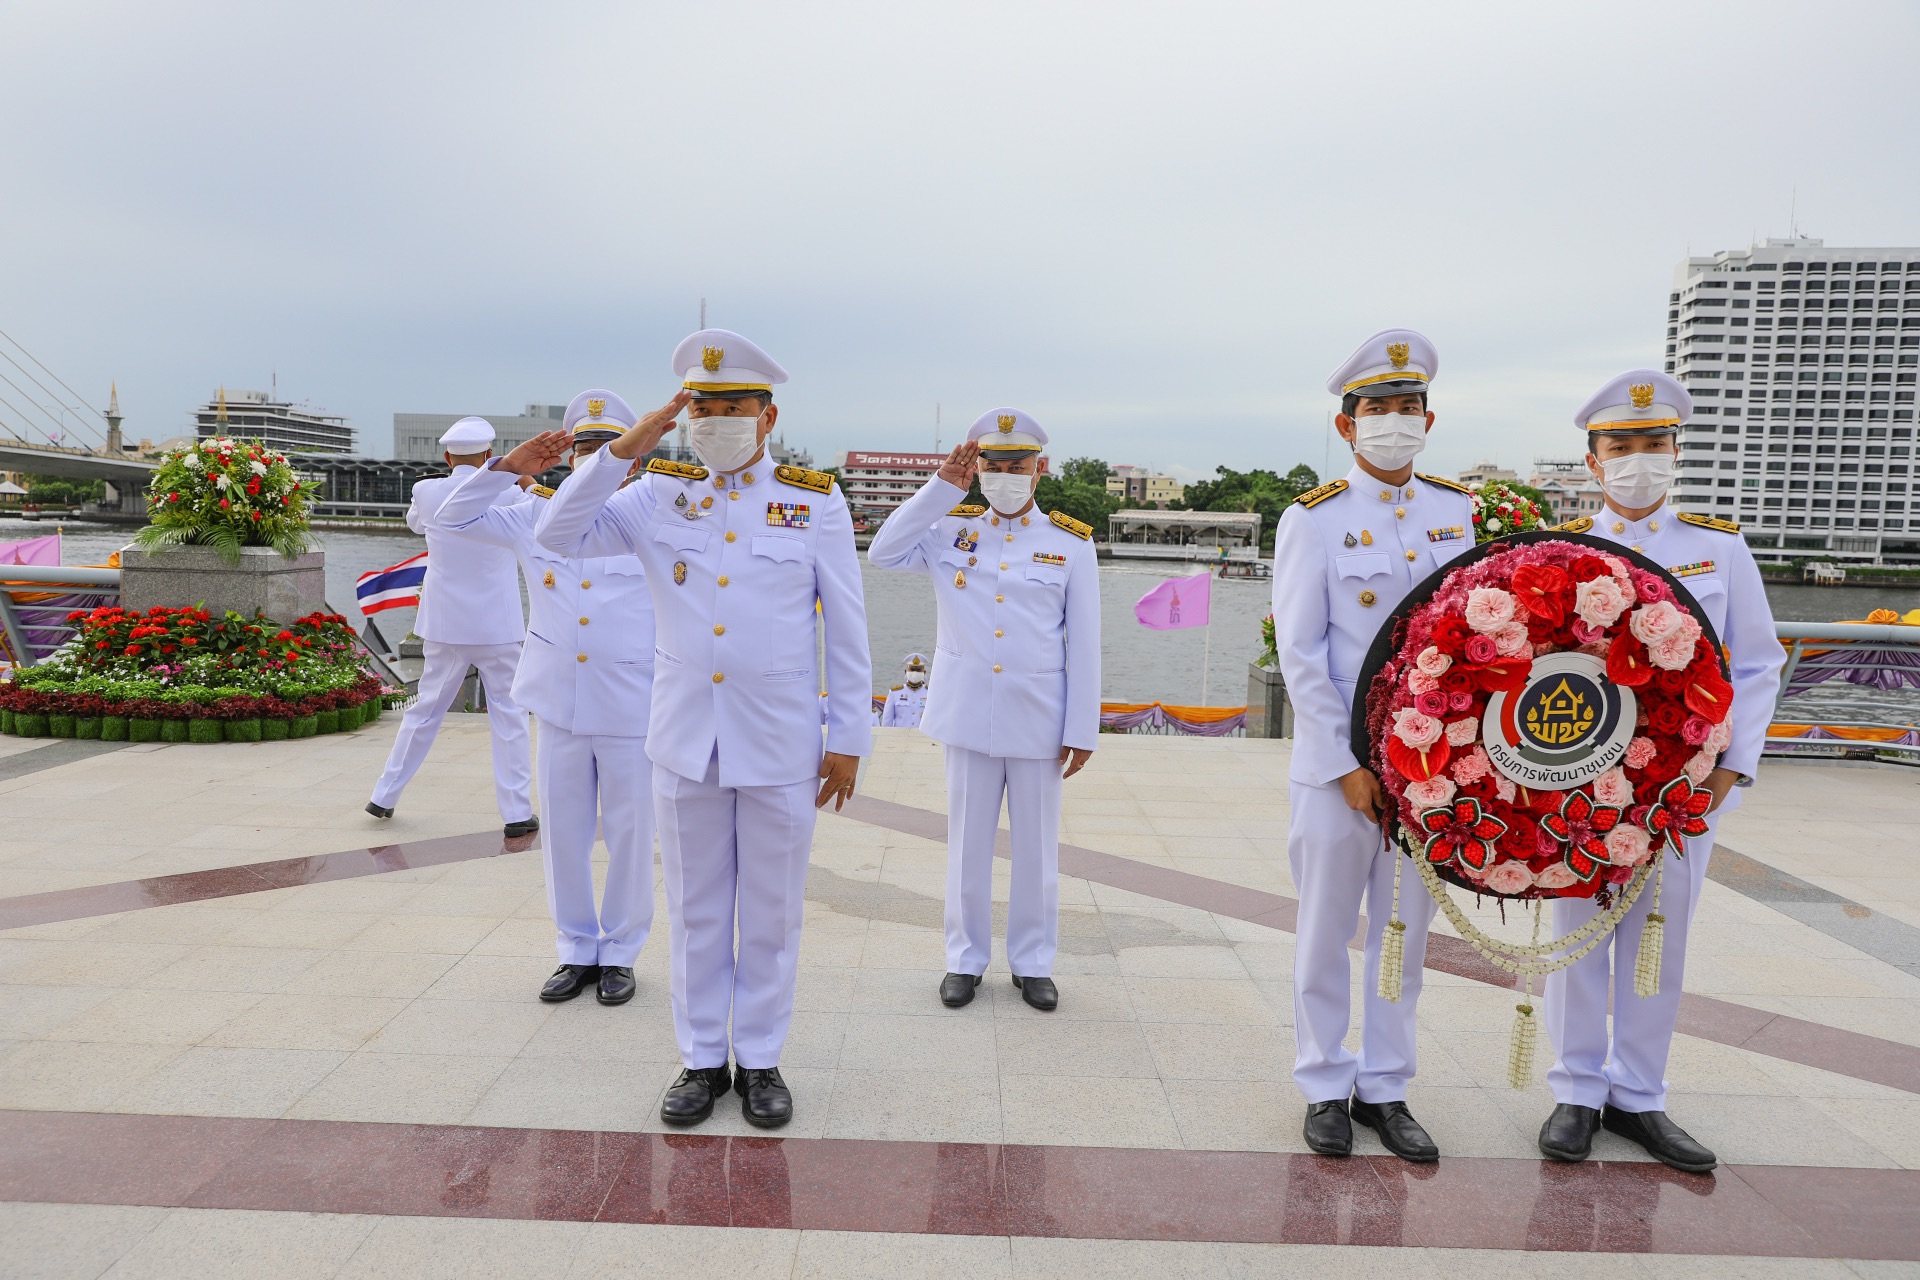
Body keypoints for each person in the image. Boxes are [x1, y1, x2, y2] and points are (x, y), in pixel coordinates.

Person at [535, 329, 872, 1129]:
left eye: (732, 408)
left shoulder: (814, 499)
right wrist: (624, 450)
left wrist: (849, 739)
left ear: (767, 414)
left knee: (771, 912)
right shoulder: (655, 492)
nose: (715, 421)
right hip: (685, 738)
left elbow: (849, 631)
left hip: (782, 741)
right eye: (701, 408)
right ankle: (698, 1060)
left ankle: (759, 1059)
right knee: (695, 911)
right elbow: (558, 535)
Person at [1538, 370, 1784, 1174]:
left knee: (1657, 935)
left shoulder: (1719, 548)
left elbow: (1756, 663)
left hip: (1685, 789)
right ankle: (1576, 1091)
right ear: (1593, 461)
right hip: (1583, 781)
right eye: (1621, 447)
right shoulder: (1565, 552)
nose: (1638, 461)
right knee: (1577, 936)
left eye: (1654, 445)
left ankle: (1639, 1095)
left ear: (1677, 452)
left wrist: (1731, 771)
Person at [1270, 329, 1473, 1162]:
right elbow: (1301, 654)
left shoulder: (1457, 512)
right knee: (1325, 928)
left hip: (1429, 773)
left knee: (1404, 931)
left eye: (1407, 407)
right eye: (1376, 409)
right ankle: (1323, 1081)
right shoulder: (1313, 519)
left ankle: (1385, 1084)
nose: (1394, 422)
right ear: (1346, 426)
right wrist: (1349, 765)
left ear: (1431, 418)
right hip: (1336, 771)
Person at [867, 409, 1100, 1012]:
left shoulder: (1069, 544)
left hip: (1038, 717)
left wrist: (1081, 729)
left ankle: (1033, 961)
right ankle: (964, 959)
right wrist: (944, 487)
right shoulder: (948, 529)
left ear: (1038, 470)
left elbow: (1086, 643)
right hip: (968, 714)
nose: (1004, 476)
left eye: (1015, 466)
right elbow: (883, 552)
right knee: (967, 844)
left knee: (1037, 849)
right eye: (993, 466)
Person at [431, 395, 659, 1007]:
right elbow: (448, 523)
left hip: (632, 703)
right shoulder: (531, 514)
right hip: (558, 700)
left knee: (632, 833)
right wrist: (504, 468)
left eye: (604, 452)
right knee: (563, 833)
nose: (591, 462)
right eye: (583, 451)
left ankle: (621, 951)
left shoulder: (653, 518)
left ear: (628, 461)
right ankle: (575, 948)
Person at [367, 417, 537, 838]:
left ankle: (384, 795)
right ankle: (516, 813)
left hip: (444, 623)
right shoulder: (512, 494)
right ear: (489, 456)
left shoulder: (425, 491)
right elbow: (540, 517)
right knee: (510, 715)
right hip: (497, 624)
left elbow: (416, 524)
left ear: (447, 457)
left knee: (425, 711)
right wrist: (529, 484)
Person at [879, 653, 931, 728]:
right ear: (906, 671)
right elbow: (887, 721)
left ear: (924, 672)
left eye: (918, 670)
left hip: (922, 737)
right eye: (912, 669)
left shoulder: (930, 693)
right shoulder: (895, 693)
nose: (915, 672)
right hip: (900, 737)